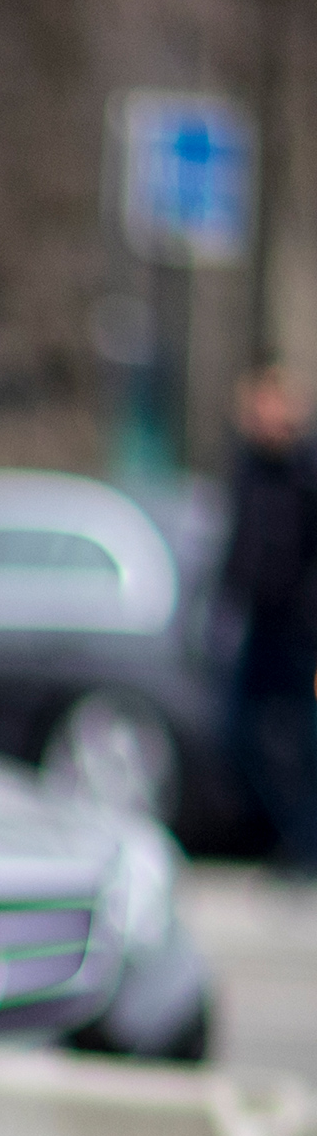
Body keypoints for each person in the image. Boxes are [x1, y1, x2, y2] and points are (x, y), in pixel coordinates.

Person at [219, 362, 317, 871]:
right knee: (238, 733)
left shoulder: (306, 470)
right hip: (260, 627)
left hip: (304, 634)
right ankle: (288, 836)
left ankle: (305, 845)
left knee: (307, 741)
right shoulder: (248, 468)